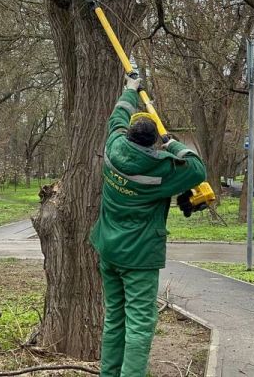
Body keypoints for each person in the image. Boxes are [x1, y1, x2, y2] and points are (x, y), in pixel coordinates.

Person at [89, 73, 207, 377]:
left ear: (128, 135)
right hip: (139, 257)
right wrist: (174, 146)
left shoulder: (114, 146)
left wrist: (131, 90)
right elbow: (196, 169)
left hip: (109, 250)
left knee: (115, 318)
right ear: (153, 143)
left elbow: (117, 115)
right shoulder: (161, 169)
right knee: (139, 325)